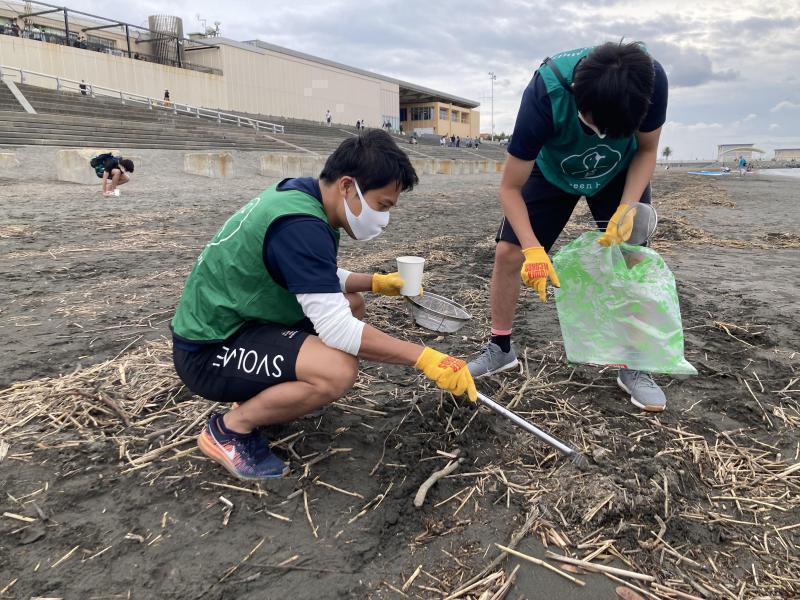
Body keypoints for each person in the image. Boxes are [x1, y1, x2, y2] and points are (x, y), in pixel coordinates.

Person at [170, 130, 476, 480]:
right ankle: (229, 430)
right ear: (348, 186)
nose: (384, 219)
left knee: (352, 303)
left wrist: (375, 282)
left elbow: (311, 273)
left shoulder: (304, 197)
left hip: (243, 324)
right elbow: (338, 329)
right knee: (336, 370)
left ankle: (262, 395)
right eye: (382, 206)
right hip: (209, 351)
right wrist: (424, 358)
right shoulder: (301, 225)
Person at [467, 41, 671, 413]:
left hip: (617, 173)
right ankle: (500, 347)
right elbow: (510, 188)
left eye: (612, 131)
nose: (600, 135)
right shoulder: (546, 93)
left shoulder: (651, 83)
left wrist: (627, 207)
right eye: (594, 126)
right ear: (578, 97)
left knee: (633, 257)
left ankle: (635, 363)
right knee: (508, 252)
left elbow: (645, 149)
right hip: (553, 172)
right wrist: (533, 249)